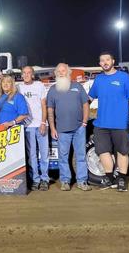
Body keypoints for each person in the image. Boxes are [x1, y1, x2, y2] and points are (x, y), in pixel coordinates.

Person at [88, 52, 129, 192]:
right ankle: (109, 178)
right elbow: (89, 99)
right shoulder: (99, 79)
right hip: (101, 124)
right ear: (99, 64)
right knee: (102, 151)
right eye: (102, 60)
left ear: (113, 61)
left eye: (107, 60)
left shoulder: (124, 77)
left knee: (122, 152)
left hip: (120, 123)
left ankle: (122, 179)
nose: (105, 62)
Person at [47, 63, 91, 191]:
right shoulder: (53, 89)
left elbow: (85, 104)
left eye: (63, 70)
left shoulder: (77, 86)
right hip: (61, 131)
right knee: (63, 157)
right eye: (59, 71)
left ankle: (82, 181)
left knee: (81, 156)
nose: (61, 73)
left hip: (79, 128)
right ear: (56, 73)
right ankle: (65, 181)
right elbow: (50, 110)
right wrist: (53, 128)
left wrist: (84, 122)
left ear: (68, 72)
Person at [18, 66, 50, 191]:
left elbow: (44, 105)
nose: (26, 75)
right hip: (27, 126)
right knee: (31, 155)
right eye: (24, 73)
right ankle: (35, 179)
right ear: (21, 75)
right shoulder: (19, 88)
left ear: (32, 75)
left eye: (28, 73)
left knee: (44, 154)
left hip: (40, 125)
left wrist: (43, 122)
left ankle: (45, 179)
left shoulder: (39, 85)